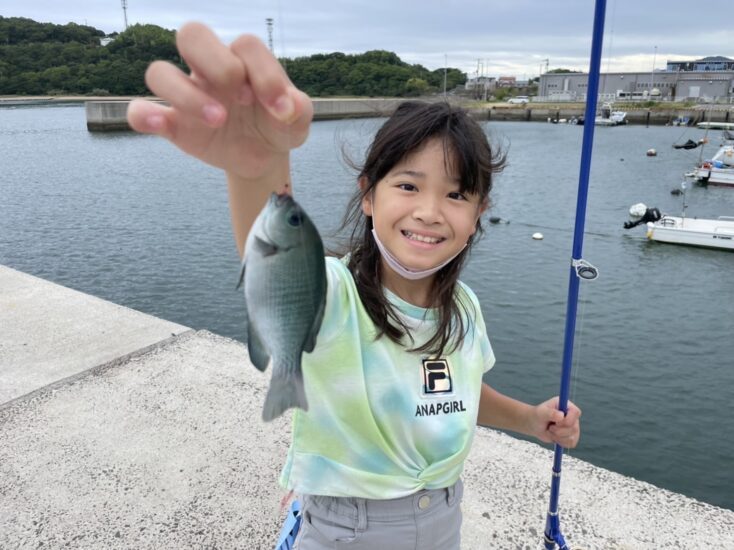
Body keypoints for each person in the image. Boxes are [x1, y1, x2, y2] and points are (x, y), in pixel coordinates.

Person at [128, 22, 581, 550]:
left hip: (444, 517)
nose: (430, 212)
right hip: (347, 529)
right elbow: (276, 265)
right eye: (408, 186)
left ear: (480, 213)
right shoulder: (337, 295)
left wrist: (530, 418)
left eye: (457, 195)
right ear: (368, 195)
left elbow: (458, 391)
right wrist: (257, 168)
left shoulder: (464, 306)